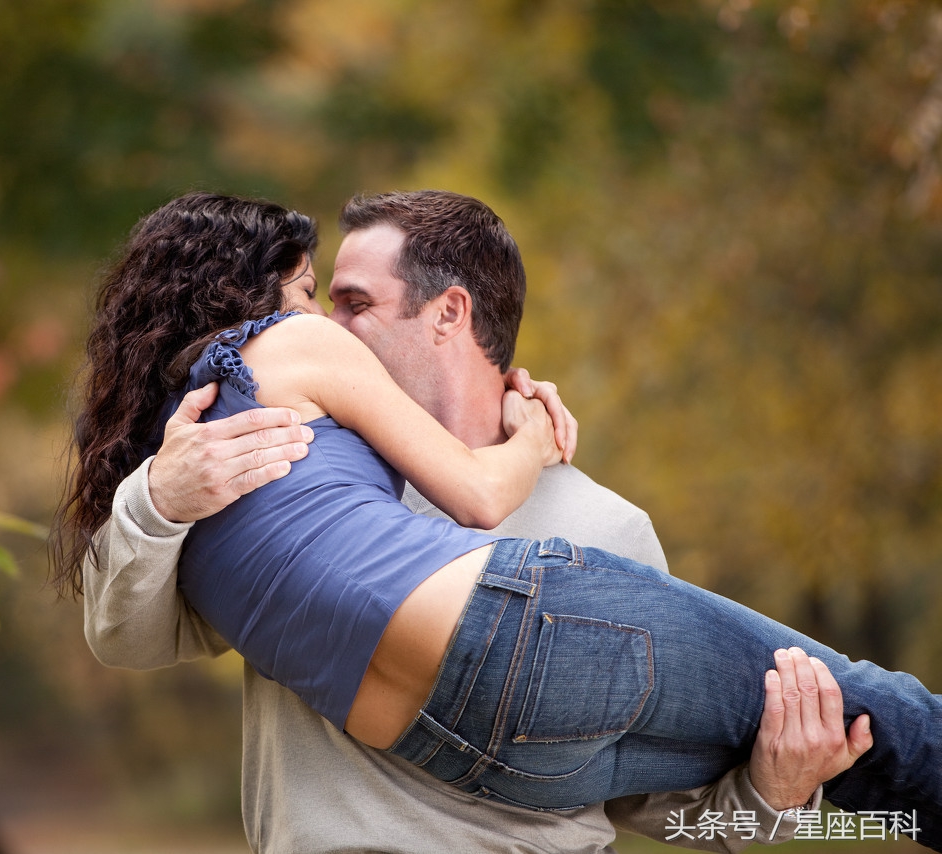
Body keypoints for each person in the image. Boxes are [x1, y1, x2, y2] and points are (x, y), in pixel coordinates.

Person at [59, 191, 913, 851]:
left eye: (353, 303)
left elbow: (664, 812)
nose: (320, 325)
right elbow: (125, 639)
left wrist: (771, 796)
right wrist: (159, 498)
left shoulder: (606, 524)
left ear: (450, 314)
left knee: (860, 707)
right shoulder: (272, 466)